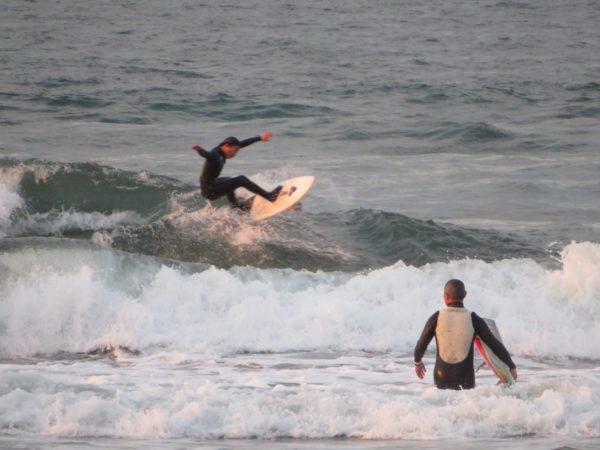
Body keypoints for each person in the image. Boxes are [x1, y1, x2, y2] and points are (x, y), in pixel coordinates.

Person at [413, 279, 518, 390]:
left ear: (445, 296)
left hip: (441, 377)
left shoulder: (436, 317)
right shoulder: (474, 319)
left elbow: (421, 344)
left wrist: (417, 362)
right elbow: (495, 345)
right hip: (466, 379)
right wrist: (511, 366)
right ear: (465, 295)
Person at [191, 131, 281, 209]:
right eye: (235, 150)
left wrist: (259, 138)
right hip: (211, 191)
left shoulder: (221, 151)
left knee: (230, 180)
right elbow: (207, 155)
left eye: (237, 151)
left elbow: (242, 144)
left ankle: (235, 207)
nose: (235, 153)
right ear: (226, 146)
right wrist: (199, 149)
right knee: (241, 179)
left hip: (211, 185)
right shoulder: (215, 155)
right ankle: (270, 196)